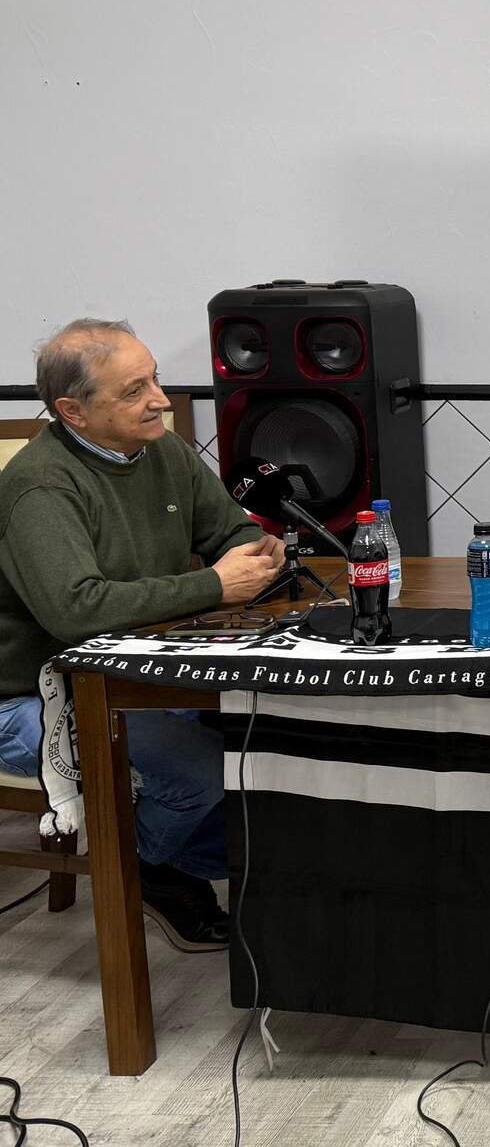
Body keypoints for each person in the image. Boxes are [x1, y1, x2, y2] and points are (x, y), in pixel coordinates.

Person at [0, 320, 288, 951]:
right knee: (198, 774)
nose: (159, 399)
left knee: (272, 743)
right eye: (134, 391)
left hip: (141, 671)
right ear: (73, 411)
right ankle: (143, 869)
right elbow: (76, 611)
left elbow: (230, 532)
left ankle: (189, 863)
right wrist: (214, 585)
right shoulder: (41, 487)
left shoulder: (163, 450)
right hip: (36, 695)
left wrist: (254, 552)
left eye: (155, 379)